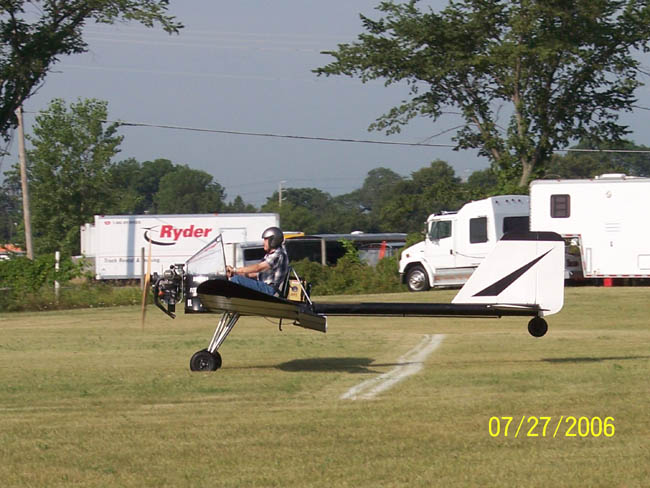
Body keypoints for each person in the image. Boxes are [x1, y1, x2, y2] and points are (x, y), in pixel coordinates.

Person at [226, 226, 289, 296]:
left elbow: (258, 268)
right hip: (266, 287)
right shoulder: (271, 255)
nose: (263, 243)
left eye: (265, 240)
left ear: (273, 241)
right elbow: (257, 274)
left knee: (236, 280)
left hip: (270, 289)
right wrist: (235, 273)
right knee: (235, 278)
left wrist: (235, 270)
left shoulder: (278, 254)